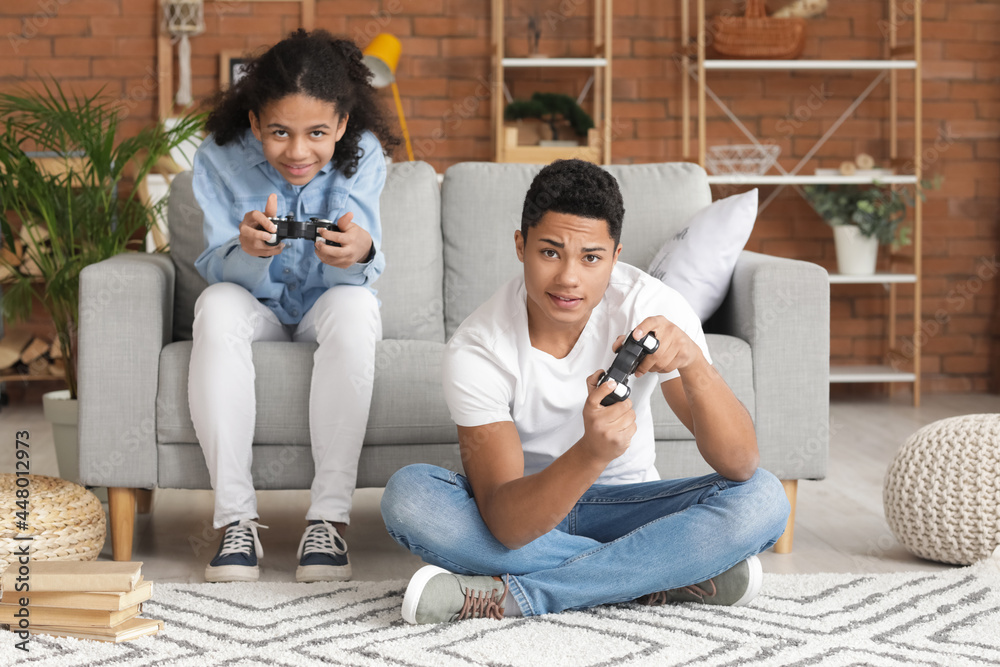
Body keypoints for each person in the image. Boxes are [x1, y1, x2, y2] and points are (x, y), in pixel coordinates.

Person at [380, 159, 790, 623]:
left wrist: (694, 362)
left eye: (591, 258)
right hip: (531, 511)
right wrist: (592, 452)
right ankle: (663, 574)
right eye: (550, 252)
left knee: (764, 496)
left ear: (616, 257)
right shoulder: (478, 348)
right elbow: (508, 525)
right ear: (521, 245)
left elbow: (739, 462)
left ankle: (519, 595)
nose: (569, 278)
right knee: (410, 496)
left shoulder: (651, 304)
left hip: (633, 509)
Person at [190, 29, 399, 583]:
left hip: (324, 306)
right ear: (255, 122)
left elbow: (365, 270)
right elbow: (214, 264)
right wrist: (248, 250)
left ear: (343, 126)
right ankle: (234, 520)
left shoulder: (366, 156)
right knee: (215, 303)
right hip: (252, 306)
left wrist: (360, 253)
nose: (298, 152)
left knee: (357, 309)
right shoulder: (217, 157)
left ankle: (328, 522)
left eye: (317, 134)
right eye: (279, 132)